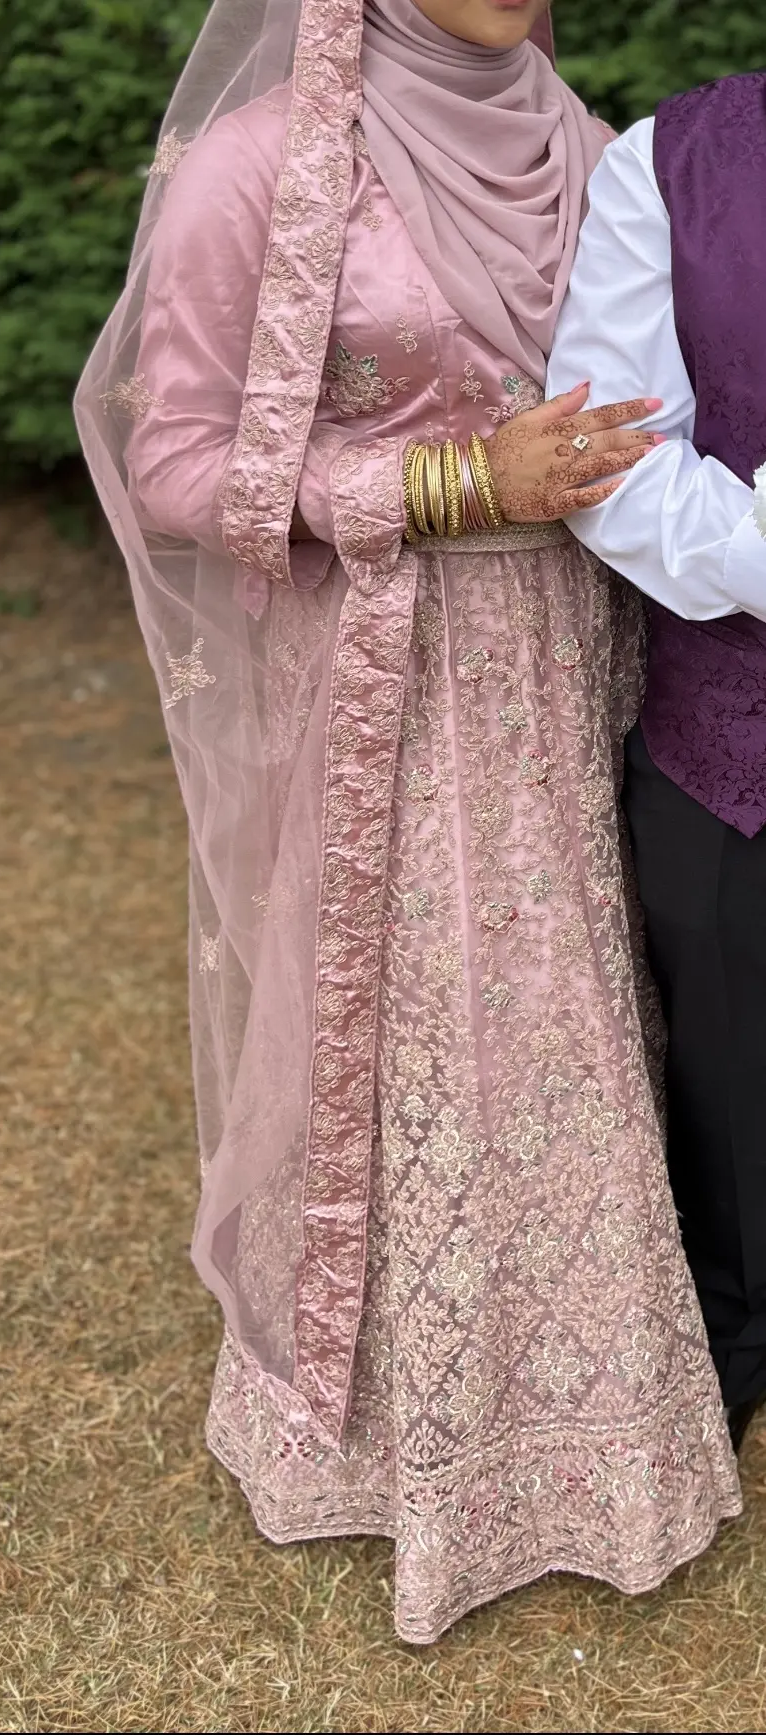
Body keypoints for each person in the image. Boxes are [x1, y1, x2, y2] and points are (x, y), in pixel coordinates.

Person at [76, 0, 739, 1644]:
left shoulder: (588, 148)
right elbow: (168, 458)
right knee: (434, 1041)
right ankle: (415, 1443)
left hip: (588, 660)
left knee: (590, 1031)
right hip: (398, 677)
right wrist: (447, 483)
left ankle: (602, 1426)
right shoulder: (263, 165)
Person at [548, 71, 766, 1459]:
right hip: (737, 733)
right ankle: (738, 1328)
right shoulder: (665, 163)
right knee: (734, 1075)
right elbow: (616, 459)